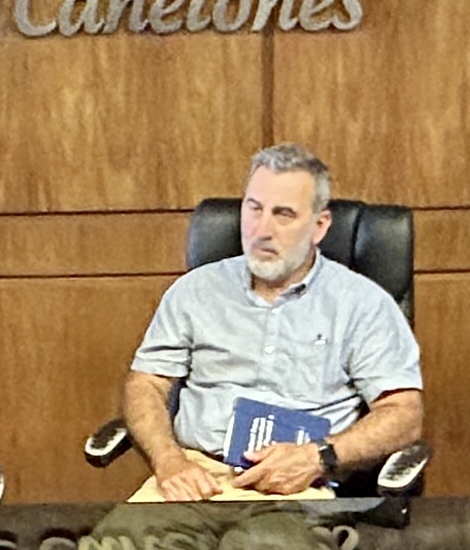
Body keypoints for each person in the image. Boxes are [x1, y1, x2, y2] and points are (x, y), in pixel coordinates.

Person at [122, 145, 425, 502]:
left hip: (299, 483)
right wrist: (168, 460)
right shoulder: (194, 291)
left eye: (283, 214)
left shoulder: (363, 304)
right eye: (254, 208)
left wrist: (320, 456)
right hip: (193, 476)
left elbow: (404, 414)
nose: (262, 229)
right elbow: (146, 385)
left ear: (319, 226)